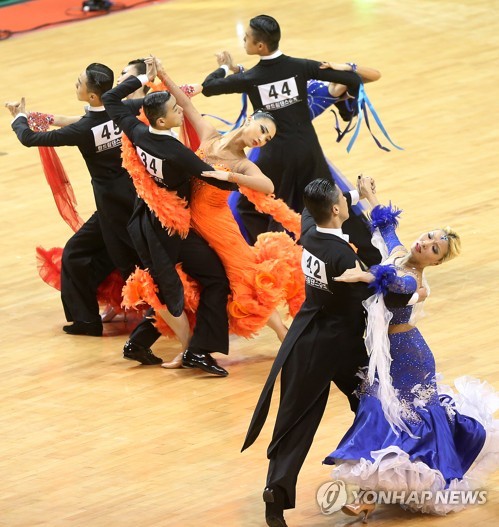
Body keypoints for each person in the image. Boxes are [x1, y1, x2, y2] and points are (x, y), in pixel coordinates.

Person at [241, 177, 413, 527]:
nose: (346, 202)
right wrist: (403, 284)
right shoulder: (342, 258)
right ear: (335, 210)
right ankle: (382, 480)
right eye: (342, 200)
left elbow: (312, 209)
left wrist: (357, 194)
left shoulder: (310, 231)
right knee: (377, 407)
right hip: (344, 348)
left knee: (294, 420)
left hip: (305, 340)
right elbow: (383, 297)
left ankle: (276, 493)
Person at [322, 179, 498, 518]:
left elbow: (393, 282)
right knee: (380, 415)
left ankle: (368, 498)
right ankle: (370, 495)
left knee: (390, 416)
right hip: (388, 357)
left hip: (409, 358)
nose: (426, 243)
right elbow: (386, 227)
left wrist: (363, 276)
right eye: (429, 237)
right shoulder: (400, 254)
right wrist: (370, 194)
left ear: (436, 263)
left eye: (435, 249)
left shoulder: (412, 280)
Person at [149, 60, 305, 370]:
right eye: (262, 130)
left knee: (246, 280)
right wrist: (163, 74)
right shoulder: (210, 135)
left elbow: (268, 185)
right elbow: (185, 104)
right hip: (189, 222)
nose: (262, 139)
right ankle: (189, 347)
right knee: (186, 281)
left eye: (267, 139)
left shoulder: (243, 163)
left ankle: (284, 336)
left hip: (218, 228)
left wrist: (230, 177)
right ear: (249, 119)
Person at [201, 14, 380, 266]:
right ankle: (373, 260)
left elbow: (209, 87)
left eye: (247, 37)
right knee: (331, 203)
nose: (244, 40)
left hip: (275, 157)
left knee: (252, 207)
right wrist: (345, 67)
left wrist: (223, 67)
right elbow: (354, 81)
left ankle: (273, 263)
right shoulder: (300, 66)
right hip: (308, 150)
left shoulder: (252, 78)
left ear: (260, 45)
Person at [102, 58, 232, 375]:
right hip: (170, 229)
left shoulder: (138, 131)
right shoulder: (176, 152)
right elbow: (213, 177)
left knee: (168, 284)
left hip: (148, 221)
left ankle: (148, 343)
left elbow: (110, 99)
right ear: (161, 121)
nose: (180, 112)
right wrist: (246, 176)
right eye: (175, 110)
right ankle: (197, 351)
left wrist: (141, 79)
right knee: (208, 279)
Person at [5, 63, 142, 337]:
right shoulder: (124, 109)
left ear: (92, 95)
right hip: (136, 198)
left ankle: (96, 321)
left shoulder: (83, 129)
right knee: (98, 255)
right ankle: (93, 317)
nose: (75, 85)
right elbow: (86, 120)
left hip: (111, 207)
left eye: (79, 82)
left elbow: (29, 138)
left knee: (105, 258)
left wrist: (18, 117)